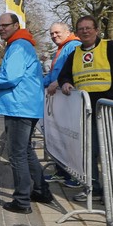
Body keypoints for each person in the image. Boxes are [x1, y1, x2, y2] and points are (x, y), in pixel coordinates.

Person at [57, 15, 113, 201]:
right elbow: (64, 75)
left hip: (111, 111)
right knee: (89, 152)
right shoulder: (75, 54)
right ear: (76, 32)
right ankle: (93, 189)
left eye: (88, 28)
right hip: (87, 112)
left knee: (112, 152)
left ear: (96, 30)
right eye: (81, 29)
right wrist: (65, 82)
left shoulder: (112, 48)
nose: (85, 31)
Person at [0, 14, 52, 213]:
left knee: (17, 154)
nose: (1, 28)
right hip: (26, 105)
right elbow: (14, 77)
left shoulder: (18, 46)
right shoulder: (21, 44)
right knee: (25, 151)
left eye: (6, 25)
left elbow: (10, 77)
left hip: (19, 106)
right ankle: (41, 191)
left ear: (16, 25)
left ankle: (22, 201)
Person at [42, 22, 82, 185]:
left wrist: (59, 82)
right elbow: (53, 73)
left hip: (69, 100)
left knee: (71, 139)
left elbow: (73, 70)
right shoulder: (62, 48)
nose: (54, 36)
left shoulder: (74, 46)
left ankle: (75, 175)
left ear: (67, 32)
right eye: (51, 33)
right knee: (60, 138)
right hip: (61, 101)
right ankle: (62, 172)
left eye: (57, 32)